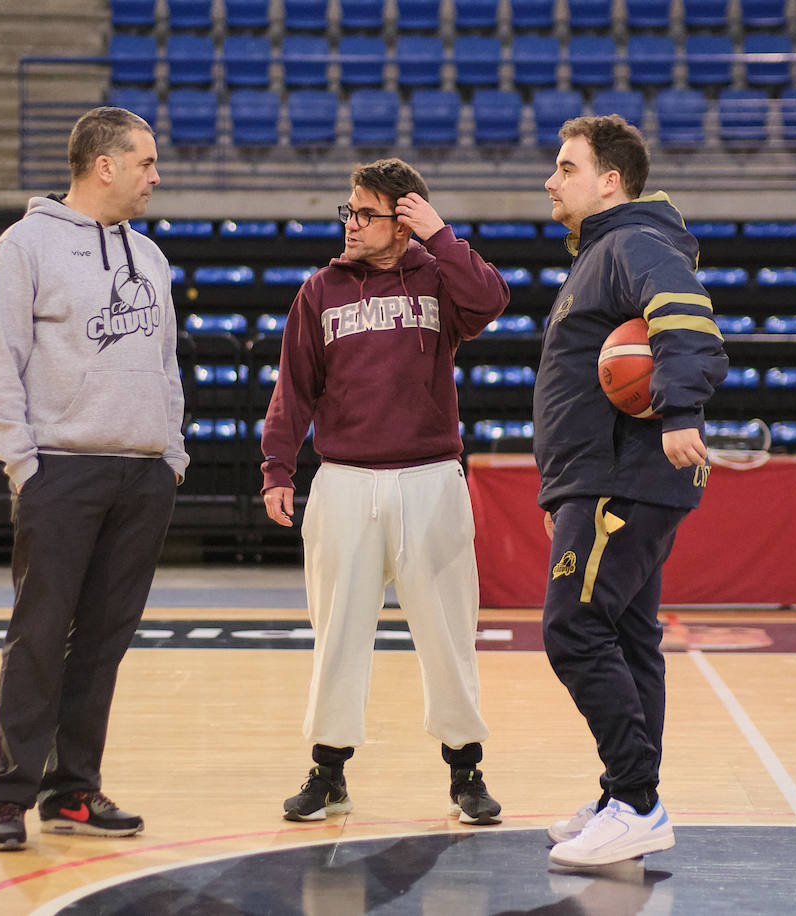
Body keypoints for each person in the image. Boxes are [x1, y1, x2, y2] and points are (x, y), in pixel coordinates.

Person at [261, 158, 511, 826]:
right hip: (343, 479)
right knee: (338, 633)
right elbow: (294, 388)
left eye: (366, 213)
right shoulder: (319, 291)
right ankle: (328, 770)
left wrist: (442, 235)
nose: (351, 223)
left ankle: (466, 771)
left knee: (449, 633)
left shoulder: (439, 280)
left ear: (403, 222)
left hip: (431, 477)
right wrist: (277, 468)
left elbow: (491, 300)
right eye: (349, 210)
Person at [0, 106, 188, 851]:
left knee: (102, 643)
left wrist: (172, 455)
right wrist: (24, 465)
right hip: (60, 471)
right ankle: (8, 797)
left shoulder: (151, 257)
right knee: (37, 635)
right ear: (106, 165)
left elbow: (166, 368)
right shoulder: (24, 247)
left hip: (143, 475)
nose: (156, 177)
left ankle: (75, 792)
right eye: (147, 163)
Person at [533, 116, 728, 867]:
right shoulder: (602, 252)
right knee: (627, 636)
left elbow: (687, 318)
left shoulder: (633, 242)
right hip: (603, 478)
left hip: (621, 479)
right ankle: (624, 795)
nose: (552, 181)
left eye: (565, 167)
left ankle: (639, 803)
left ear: (609, 180)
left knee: (573, 628)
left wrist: (680, 408)